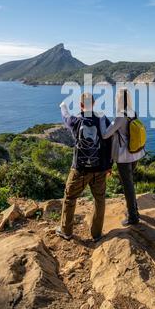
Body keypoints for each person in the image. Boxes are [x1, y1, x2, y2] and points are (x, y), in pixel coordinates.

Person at [56, 93, 112, 242]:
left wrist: (63, 106)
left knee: (69, 198)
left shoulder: (76, 121)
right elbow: (109, 142)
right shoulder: (102, 120)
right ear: (93, 104)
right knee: (99, 200)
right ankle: (97, 234)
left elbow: (65, 116)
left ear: (81, 105)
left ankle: (66, 231)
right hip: (99, 168)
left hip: (80, 169)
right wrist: (109, 165)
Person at [100, 89, 145, 226]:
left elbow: (105, 134)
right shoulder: (133, 112)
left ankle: (133, 217)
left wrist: (102, 120)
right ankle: (134, 211)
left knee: (127, 186)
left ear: (118, 100)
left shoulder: (121, 116)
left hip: (124, 156)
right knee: (130, 183)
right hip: (135, 153)